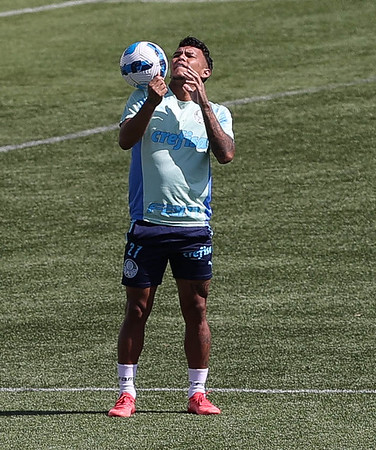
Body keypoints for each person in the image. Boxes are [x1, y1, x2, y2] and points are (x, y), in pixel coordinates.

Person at [108, 36, 235, 418]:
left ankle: (198, 393)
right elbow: (126, 140)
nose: (181, 58)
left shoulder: (219, 111)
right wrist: (151, 99)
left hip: (194, 226)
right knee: (137, 308)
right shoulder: (146, 99)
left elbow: (226, 153)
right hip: (148, 224)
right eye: (177, 54)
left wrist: (204, 102)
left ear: (205, 70)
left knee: (196, 309)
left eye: (189, 55)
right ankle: (126, 394)